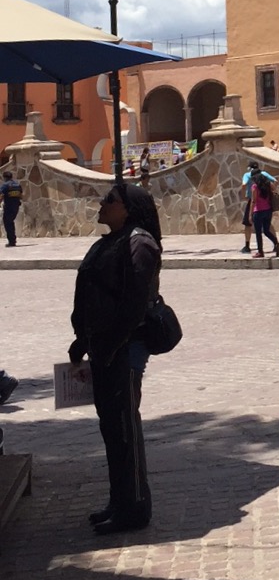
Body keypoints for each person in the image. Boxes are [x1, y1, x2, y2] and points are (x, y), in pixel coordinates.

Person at [68, 182, 162, 534]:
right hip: (103, 347)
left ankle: (135, 507)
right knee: (111, 428)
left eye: (110, 199)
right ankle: (119, 500)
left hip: (125, 348)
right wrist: (82, 341)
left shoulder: (139, 243)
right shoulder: (109, 242)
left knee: (125, 428)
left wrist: (108, 345)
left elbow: (133, 303)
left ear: (126, 208)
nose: (102, 203)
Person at [250, 170, 279, 259]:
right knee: (267, 230)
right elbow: (274, 187)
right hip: (268, 210)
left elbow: (253, 201)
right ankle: (276, 242)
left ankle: (260, 252)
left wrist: (250, 214)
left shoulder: (255, 187)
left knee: (258, 233)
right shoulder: (268, 185)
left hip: (258, 211)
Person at [1, 170, 23, 247]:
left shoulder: (5, 185)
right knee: (10, 222)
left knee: (8, 223)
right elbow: (21, 195)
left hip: (8, 207)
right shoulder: (17, 185)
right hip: (16, 207)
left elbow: (1, 195)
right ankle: (12, 240)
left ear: (5, 177)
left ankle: (12, 241)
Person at [240, 166, 255, 254]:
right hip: (263, 201)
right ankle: (276, 243)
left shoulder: (247, 175)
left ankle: (247, 245)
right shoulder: (263, 174)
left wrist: (243, 195)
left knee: (247, 224)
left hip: (252, 200)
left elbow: (244, 184)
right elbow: (274, 181)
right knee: (267, 224)